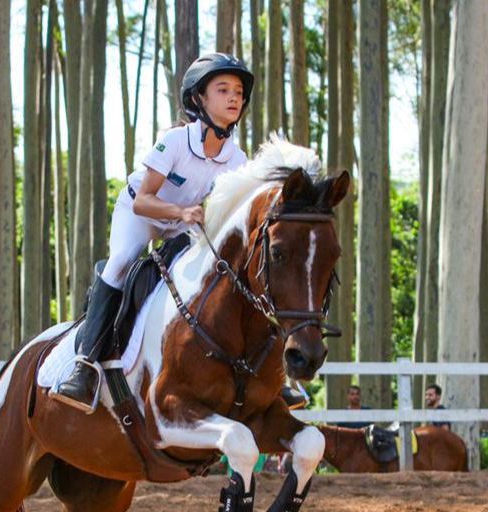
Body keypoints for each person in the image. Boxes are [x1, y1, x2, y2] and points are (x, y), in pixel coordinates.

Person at [53, 52, 306, 413]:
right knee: (123, 261)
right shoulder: (173, 142)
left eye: (238, 92)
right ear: (198, 99)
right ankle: (84, 362)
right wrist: (181, 213)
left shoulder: (238, 160)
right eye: (223, 90)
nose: (234, 98)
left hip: (185, 225)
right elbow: (143, 201)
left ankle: (272, 378)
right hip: (141, 213)